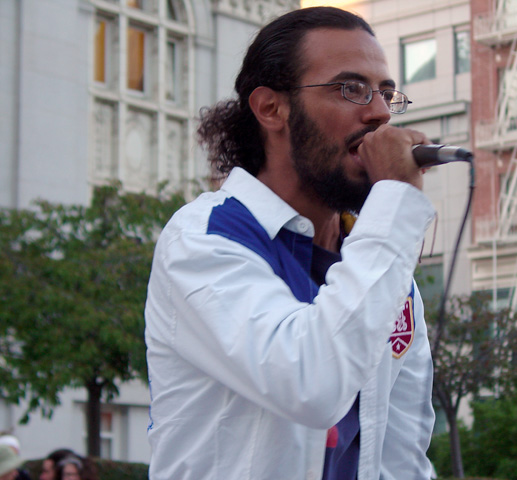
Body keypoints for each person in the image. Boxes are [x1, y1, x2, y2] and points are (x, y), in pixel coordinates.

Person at [145, 5, 437, 480]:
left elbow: (400, 453)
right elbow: (312, 384)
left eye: (386, 93)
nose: (380, 113)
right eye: (351, 89)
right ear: (271, 108)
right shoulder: (202, 240)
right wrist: (397, 202)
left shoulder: (380, 264)